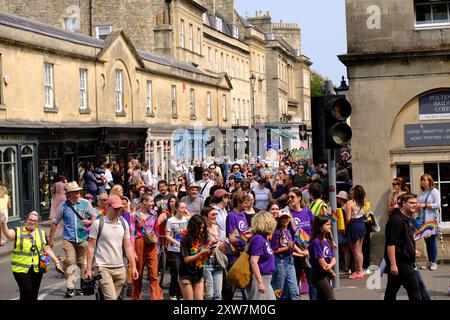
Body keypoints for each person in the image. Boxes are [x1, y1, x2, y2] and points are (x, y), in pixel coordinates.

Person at [0, 211, 64, 301]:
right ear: (26, 220)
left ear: (37, 223)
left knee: (34, 293)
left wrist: (57, 262)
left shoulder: (41, 233)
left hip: (37, 268)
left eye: (35, 221)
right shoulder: (18, 231)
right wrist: (3, 224)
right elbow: (8, 235)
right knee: (27, 290)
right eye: (30, 220)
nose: (32, 222)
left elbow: (47, 249)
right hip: (20, 268)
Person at [85, 195, 139, 300]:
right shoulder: (98, 223)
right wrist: (89, 269)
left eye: (119, 207)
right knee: (111, 298)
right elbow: (91, 247)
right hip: (103, 267)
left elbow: (128, 247)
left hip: (120, 269)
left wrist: (133, 266)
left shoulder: (124, 223)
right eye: (115, 208)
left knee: (113, 298)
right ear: (107, 206)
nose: (118, 210)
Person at [49, 181, 97, 298]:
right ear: (69, 194)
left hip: (83, 238)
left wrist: (90, 221)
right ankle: (70, 288)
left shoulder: (85, 203)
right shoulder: (63, 206)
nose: (78, 193)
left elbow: (94, 215)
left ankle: (80, 287)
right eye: (75, 192)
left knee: (81, 263)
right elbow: (55, 222)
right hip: (68, 239)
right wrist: (51, 239)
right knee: (70, 261)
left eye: (78, 191)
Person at [384, 193, 422, 300]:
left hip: (404, 261)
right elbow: (391, 244)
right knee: (415, 292)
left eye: (416, 202)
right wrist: (393, 265)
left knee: (391, 292)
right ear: (403, 204)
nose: (415, 205)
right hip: (401, 263)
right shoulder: (396, 220)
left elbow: (405, 240)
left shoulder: (407, 219)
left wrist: (413, 250)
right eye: (412, 203)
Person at [130, 193, 166, 300]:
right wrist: (133, 252)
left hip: (152, 244)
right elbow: (131, 234)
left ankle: (156, 298)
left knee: (154, 274)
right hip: (139, 243)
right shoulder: (134, 215)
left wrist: (158, 247)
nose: (152, 203)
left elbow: (156, 230)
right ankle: (136, 298)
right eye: (150, 201)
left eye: (152, 201)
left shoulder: (154, 214)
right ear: (144, 202)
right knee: (138, 275)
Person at [287, 187, 316, 300]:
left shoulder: (307, 211)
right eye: (289, 197)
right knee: (294, 284)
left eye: (292, 197)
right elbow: (287, 235)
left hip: (308, 251)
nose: (290, 199)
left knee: (312, 282)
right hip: (295, 253)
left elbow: (314, 228)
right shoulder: (287, 214)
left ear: (299, 198)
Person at [179, 214, 215, 300]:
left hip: (198, 273)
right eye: (199, 228)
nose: (201, 230)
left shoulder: (202, 238)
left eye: (202, 228)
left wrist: (209, 252)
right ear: (193, 228)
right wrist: (201, 253)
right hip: (186, 274)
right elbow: (186, 260)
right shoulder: (185, 239)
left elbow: (203, 256)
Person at [245, 211, 277, 300]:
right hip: (259, 278)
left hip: (266, 279)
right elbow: (253, 262)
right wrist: (260, 282)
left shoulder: (263, 238)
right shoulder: (258, 239)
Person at [270, 210, 300, 300]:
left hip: (290, 261)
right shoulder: (276, 233)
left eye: (286, 217)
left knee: (294, 290)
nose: (285, 219)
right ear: (279, 219)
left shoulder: (288, 231)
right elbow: (273, 251)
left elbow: (291, 246)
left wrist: (300, 252)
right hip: (280, 262)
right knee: (278, 291)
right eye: (283, 217)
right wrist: (287, 248)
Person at [308, 215, 337, 300]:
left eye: (330, 224)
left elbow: (333, 258)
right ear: (320, 227)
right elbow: (323, 264)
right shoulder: (316, 242)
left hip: (326, 274)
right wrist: (331, 272)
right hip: (319, 276)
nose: (330, 226)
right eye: (327, 224)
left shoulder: (326, 241)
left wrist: (330, 266)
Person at [165, 200, 189, 300]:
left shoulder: (187, 219)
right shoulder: (171, 220)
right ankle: (173, 293)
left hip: (184, 250)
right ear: (176, 209)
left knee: (183, 273)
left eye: (184, 207)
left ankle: (181, 294)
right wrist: (177, 242)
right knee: (175, 272)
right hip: (173, 250)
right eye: (181, 208)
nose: (184, 210)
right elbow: (167, 236)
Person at [201, 206, 226, 300]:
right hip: (206, 264)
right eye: (213, 214)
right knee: (209, 295)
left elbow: (220, 245)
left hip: (218, 263)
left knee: (217, 295)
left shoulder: (217, 228)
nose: (215, 216)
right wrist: (210, 244)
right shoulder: (202, 230)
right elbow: (198, 248)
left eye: (216, 214)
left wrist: (227, 244)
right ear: (205, 216)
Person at [417, 174, 441, 271]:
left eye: (425, 180)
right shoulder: (422, 192)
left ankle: (434, 262)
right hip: (423, 220)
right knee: (427, 241)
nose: (423, 182)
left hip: (431, 220)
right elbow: (420, 205)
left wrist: (425, 205)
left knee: (432, 241)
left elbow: (438, 205)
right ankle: (429, 262)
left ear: (430, 181)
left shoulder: (434, 191)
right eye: (422, 180)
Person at [344, 185, 367, 279]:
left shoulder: (350, 203)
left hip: (354, 226)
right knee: (359, 249)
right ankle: (359, 269)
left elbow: (348, 219)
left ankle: (359, 271)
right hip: (361, 224)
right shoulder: (362, 202)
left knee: (355, 250)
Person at [336, 191, 351, 274]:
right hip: (343, 231)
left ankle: (346, 268)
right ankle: (346, 267)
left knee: (345, 250)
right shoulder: (344, 207)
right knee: (345, 250)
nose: (337, 199)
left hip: (342, 231)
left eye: (338, 198)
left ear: (342, 199)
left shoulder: (343, 208)